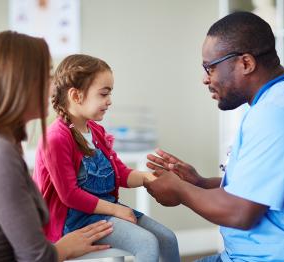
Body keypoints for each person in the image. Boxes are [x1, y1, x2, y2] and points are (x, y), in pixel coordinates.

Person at [144, 12, 284, 262]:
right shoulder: (282, 95)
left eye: (209, 67)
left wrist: (179, 190)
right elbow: (260, 186)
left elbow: (240, 213)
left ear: (245, 63)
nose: (205, 79)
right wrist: (199, 183)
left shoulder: (274, 114)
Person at [0, 31, 113, 262]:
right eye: (47, 77)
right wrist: (66, 247)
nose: (53, 89)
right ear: (18, 81)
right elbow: (35, 256)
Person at [33, 54, 180, 262]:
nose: (109, 101)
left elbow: (119, 173)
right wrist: (116, 210)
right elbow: (70, 195)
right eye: (103, 94)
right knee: (147, 243)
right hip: (75, 220)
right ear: (76, 96)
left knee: (168, 238)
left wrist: (149, 177)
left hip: (107, 210)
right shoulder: (56, 138)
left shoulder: (96, 131)